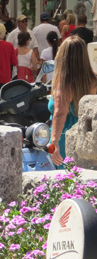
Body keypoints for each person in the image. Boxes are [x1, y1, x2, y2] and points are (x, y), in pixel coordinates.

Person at [49, 36, 97, 166]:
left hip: (64, 137)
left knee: (62, 181)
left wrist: (54, 143)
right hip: (86, 137)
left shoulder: (64, 83)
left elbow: (60, 113)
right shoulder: (93, 79)